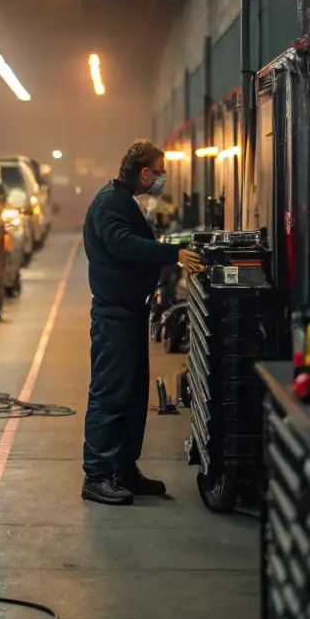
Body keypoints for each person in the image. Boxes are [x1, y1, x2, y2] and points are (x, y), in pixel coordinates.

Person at [82, 139, 203, 505]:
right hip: (114, 316)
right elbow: (125, 245)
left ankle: (124, 469)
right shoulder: (109, 204)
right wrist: (174, 254)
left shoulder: (124, 201)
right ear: (145, 172)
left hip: (131, 313)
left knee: (133, 396)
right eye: (160, 172)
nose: (162, 178)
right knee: (109, 395)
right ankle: (97, 474)